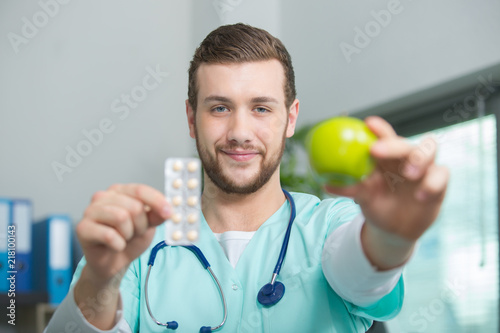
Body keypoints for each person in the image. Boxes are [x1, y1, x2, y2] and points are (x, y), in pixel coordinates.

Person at [46, 23, 448, 332]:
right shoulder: (138, 245)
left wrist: (392, 236)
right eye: (220, 108)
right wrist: (100, 281)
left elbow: (360, 270)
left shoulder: (329, 226)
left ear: (290, 118)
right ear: (192, 118)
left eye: (261, 108)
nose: (239, 131)